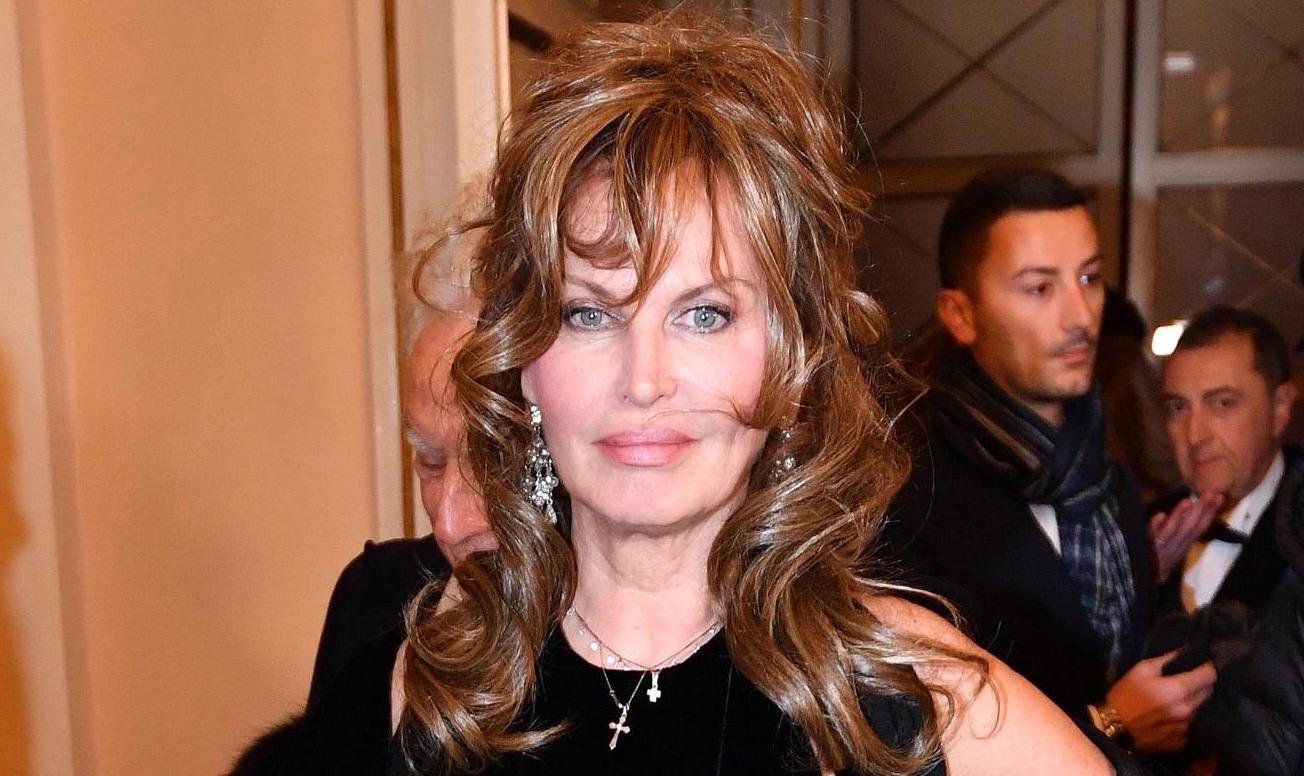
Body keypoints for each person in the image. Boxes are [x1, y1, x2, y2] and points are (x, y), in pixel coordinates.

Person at [280, 13, 1132, 776]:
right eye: (588, 314)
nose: (644, 380)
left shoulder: (912, 697)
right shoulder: (429, 684)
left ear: (793, 361)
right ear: (522, 359)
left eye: (705, 315)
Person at [883, 166, 1215, 755]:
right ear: (960, 315)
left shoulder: (1107, 480)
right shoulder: (908, 499)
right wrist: (1109, 723)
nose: (1081, 316)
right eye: (1040, 288)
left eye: (1089, 278)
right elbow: (907, 742)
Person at [1154, 305, 1298, 614]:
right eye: (1178, 407)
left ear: (1279, 409)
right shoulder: (1136, 534)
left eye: (1222, 403)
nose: (1195, 435)